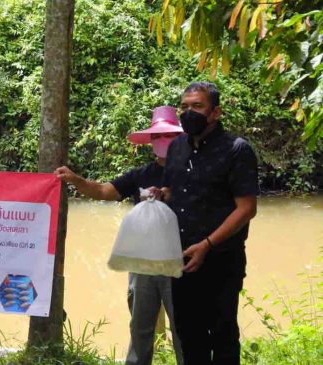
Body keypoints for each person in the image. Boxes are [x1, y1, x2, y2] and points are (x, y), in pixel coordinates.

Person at [55, 106, 184, 365]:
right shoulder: (141, 174)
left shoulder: (193, 172)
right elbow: (104, 191)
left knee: (185, 330)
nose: (163, 142)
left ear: (180, 138)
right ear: (150, 141)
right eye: (157, 137)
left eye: (168, 136)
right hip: (143, 263)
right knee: (140, 328)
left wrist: (174, 194)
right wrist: (74, 179)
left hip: (182, 261)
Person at [153, 82, 258, 364]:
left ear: (215, 112)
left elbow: (246, 209)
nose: (189, 112)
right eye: (184, 107)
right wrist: (160, 195)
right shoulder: (176, 148)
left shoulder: (237, 150)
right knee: (189, 335)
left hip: (221, 259)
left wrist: (208, 244)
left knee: (222, 335)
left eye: (197, 106)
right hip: (182, 258)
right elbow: (174, 191)